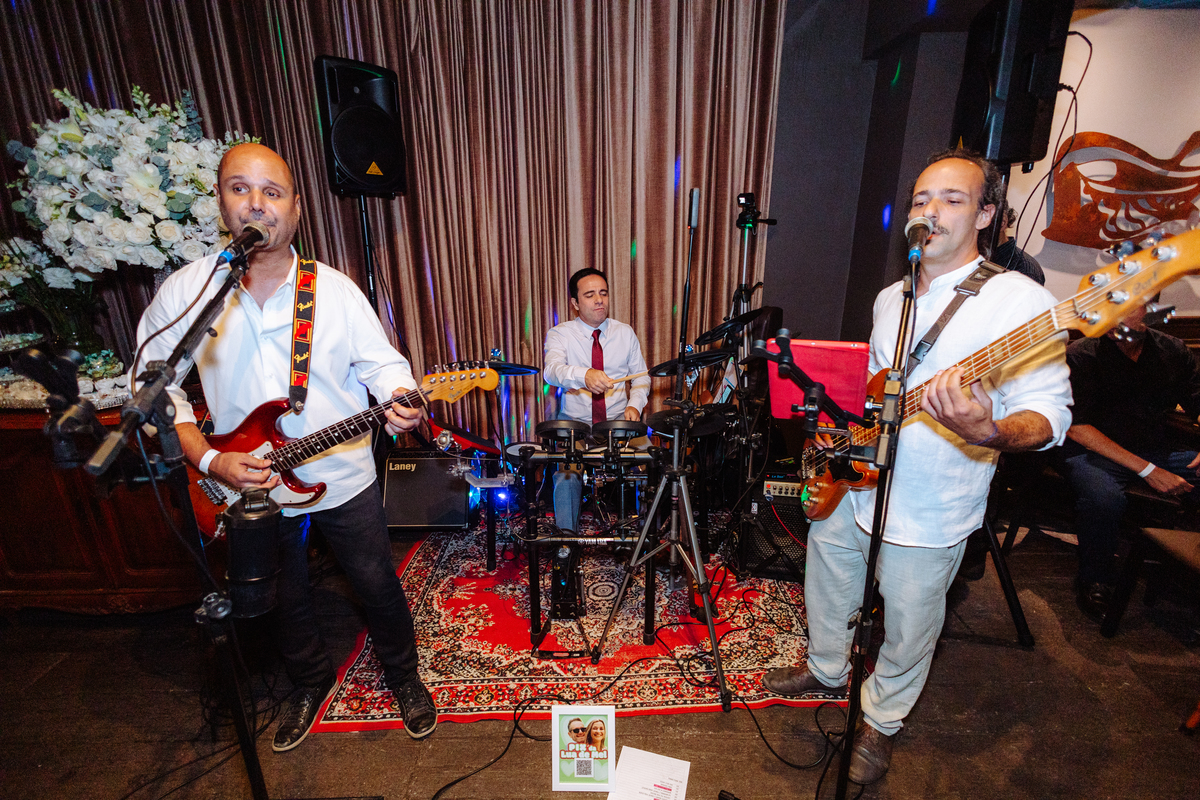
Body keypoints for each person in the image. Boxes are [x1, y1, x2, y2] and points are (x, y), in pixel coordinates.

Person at [762, 149, 1072, 784]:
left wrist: (987, 428)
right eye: (921, 200)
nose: (931, 212)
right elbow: (882, 391)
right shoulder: (889, 299)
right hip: (859, 484)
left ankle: (881, 718)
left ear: (987, 214)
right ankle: (826, 668)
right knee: (828, 570)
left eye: (953, 200)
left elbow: (1049, 416)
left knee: (908, 624)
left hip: (933, 504)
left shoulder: (1018, 302)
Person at [133, 143, 437, 751]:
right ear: (220, 201)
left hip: (343, 474)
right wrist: (211, 459)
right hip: (247, 484)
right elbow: (151, 388)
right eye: (240, 188)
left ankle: (404, 676)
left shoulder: (334, 290)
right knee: (285, 594)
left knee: (376, 580)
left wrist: (401, 399)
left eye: (272, 192)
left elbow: (384, 366)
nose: (256, 203)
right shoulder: (188, 294)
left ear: (295, 210)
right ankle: (309, 682)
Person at [1061, 298, 1200, 619]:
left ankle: (1181, 569)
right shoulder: (1082, 355)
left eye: (1128, 307)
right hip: (1092, 451)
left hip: (1152, 448)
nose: (1115, 317)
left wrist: (1152, 464)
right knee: (1103, 497)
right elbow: (1077, 428)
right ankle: (1095, 579)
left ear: (1150, 310)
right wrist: (1150, 471)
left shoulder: (1173, 351)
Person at [542, 268, 650, 532]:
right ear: (576, 303)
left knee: (653, 459)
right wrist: (583, 375)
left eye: (603, 293)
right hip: (577, 425)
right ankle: (566, 543)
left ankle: (648, 535)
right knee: (567, 475)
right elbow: (551, 371)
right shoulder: (560, 334)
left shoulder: (625, 333)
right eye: (589, 295)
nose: (599, 300)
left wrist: (634, 405)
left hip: (617, 423)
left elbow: (642, 379)